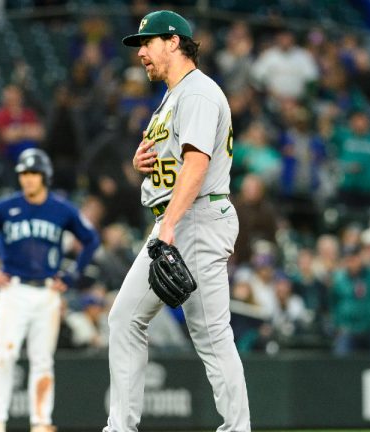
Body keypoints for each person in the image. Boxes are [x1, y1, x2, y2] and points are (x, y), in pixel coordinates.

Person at [106, 11, 251, 432]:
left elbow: (197, 162)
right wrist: (143, 163)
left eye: (147, 43)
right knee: (125, 319)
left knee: (211, 335)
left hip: (196, 218)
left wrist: (169, 223)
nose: (142, 54)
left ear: (173, 41)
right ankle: (120, 428)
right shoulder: (175, 96)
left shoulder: (199, 93)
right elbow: (175, 160)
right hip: (177, 219)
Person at [0, 148, 99, 432]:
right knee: (4, 355)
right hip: (13, 290)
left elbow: (90, 239)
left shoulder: (61, 209)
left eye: (33, 174)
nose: (28, 179)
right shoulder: (5, 207)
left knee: (42, 360)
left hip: (47, 293)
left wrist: (72, 274)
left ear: (46, 176)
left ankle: (41, 421)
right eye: (24, 174)